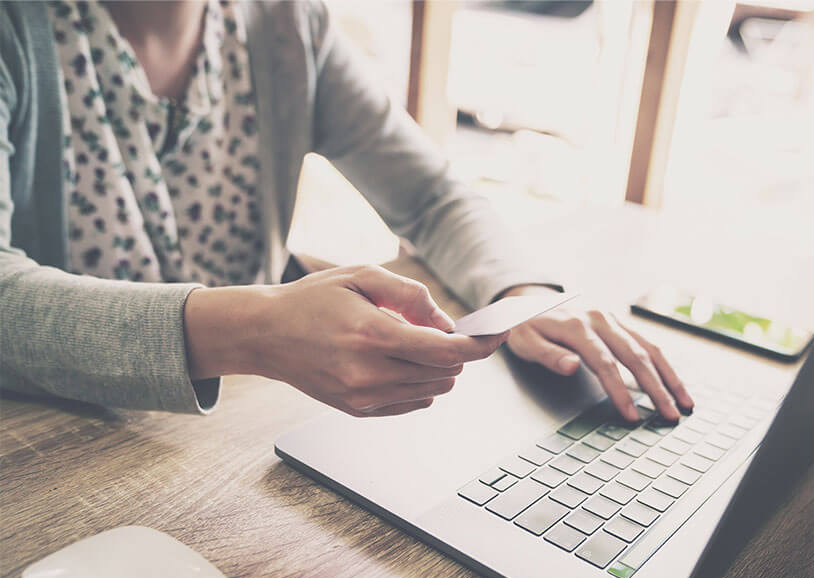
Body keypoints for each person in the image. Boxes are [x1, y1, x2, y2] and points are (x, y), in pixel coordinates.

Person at [0, 0, 692, 421]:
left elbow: (432, 194)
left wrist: (522, 292)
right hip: (53, 461)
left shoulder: (285, 25)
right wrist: (254, 332)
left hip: (232, 449)